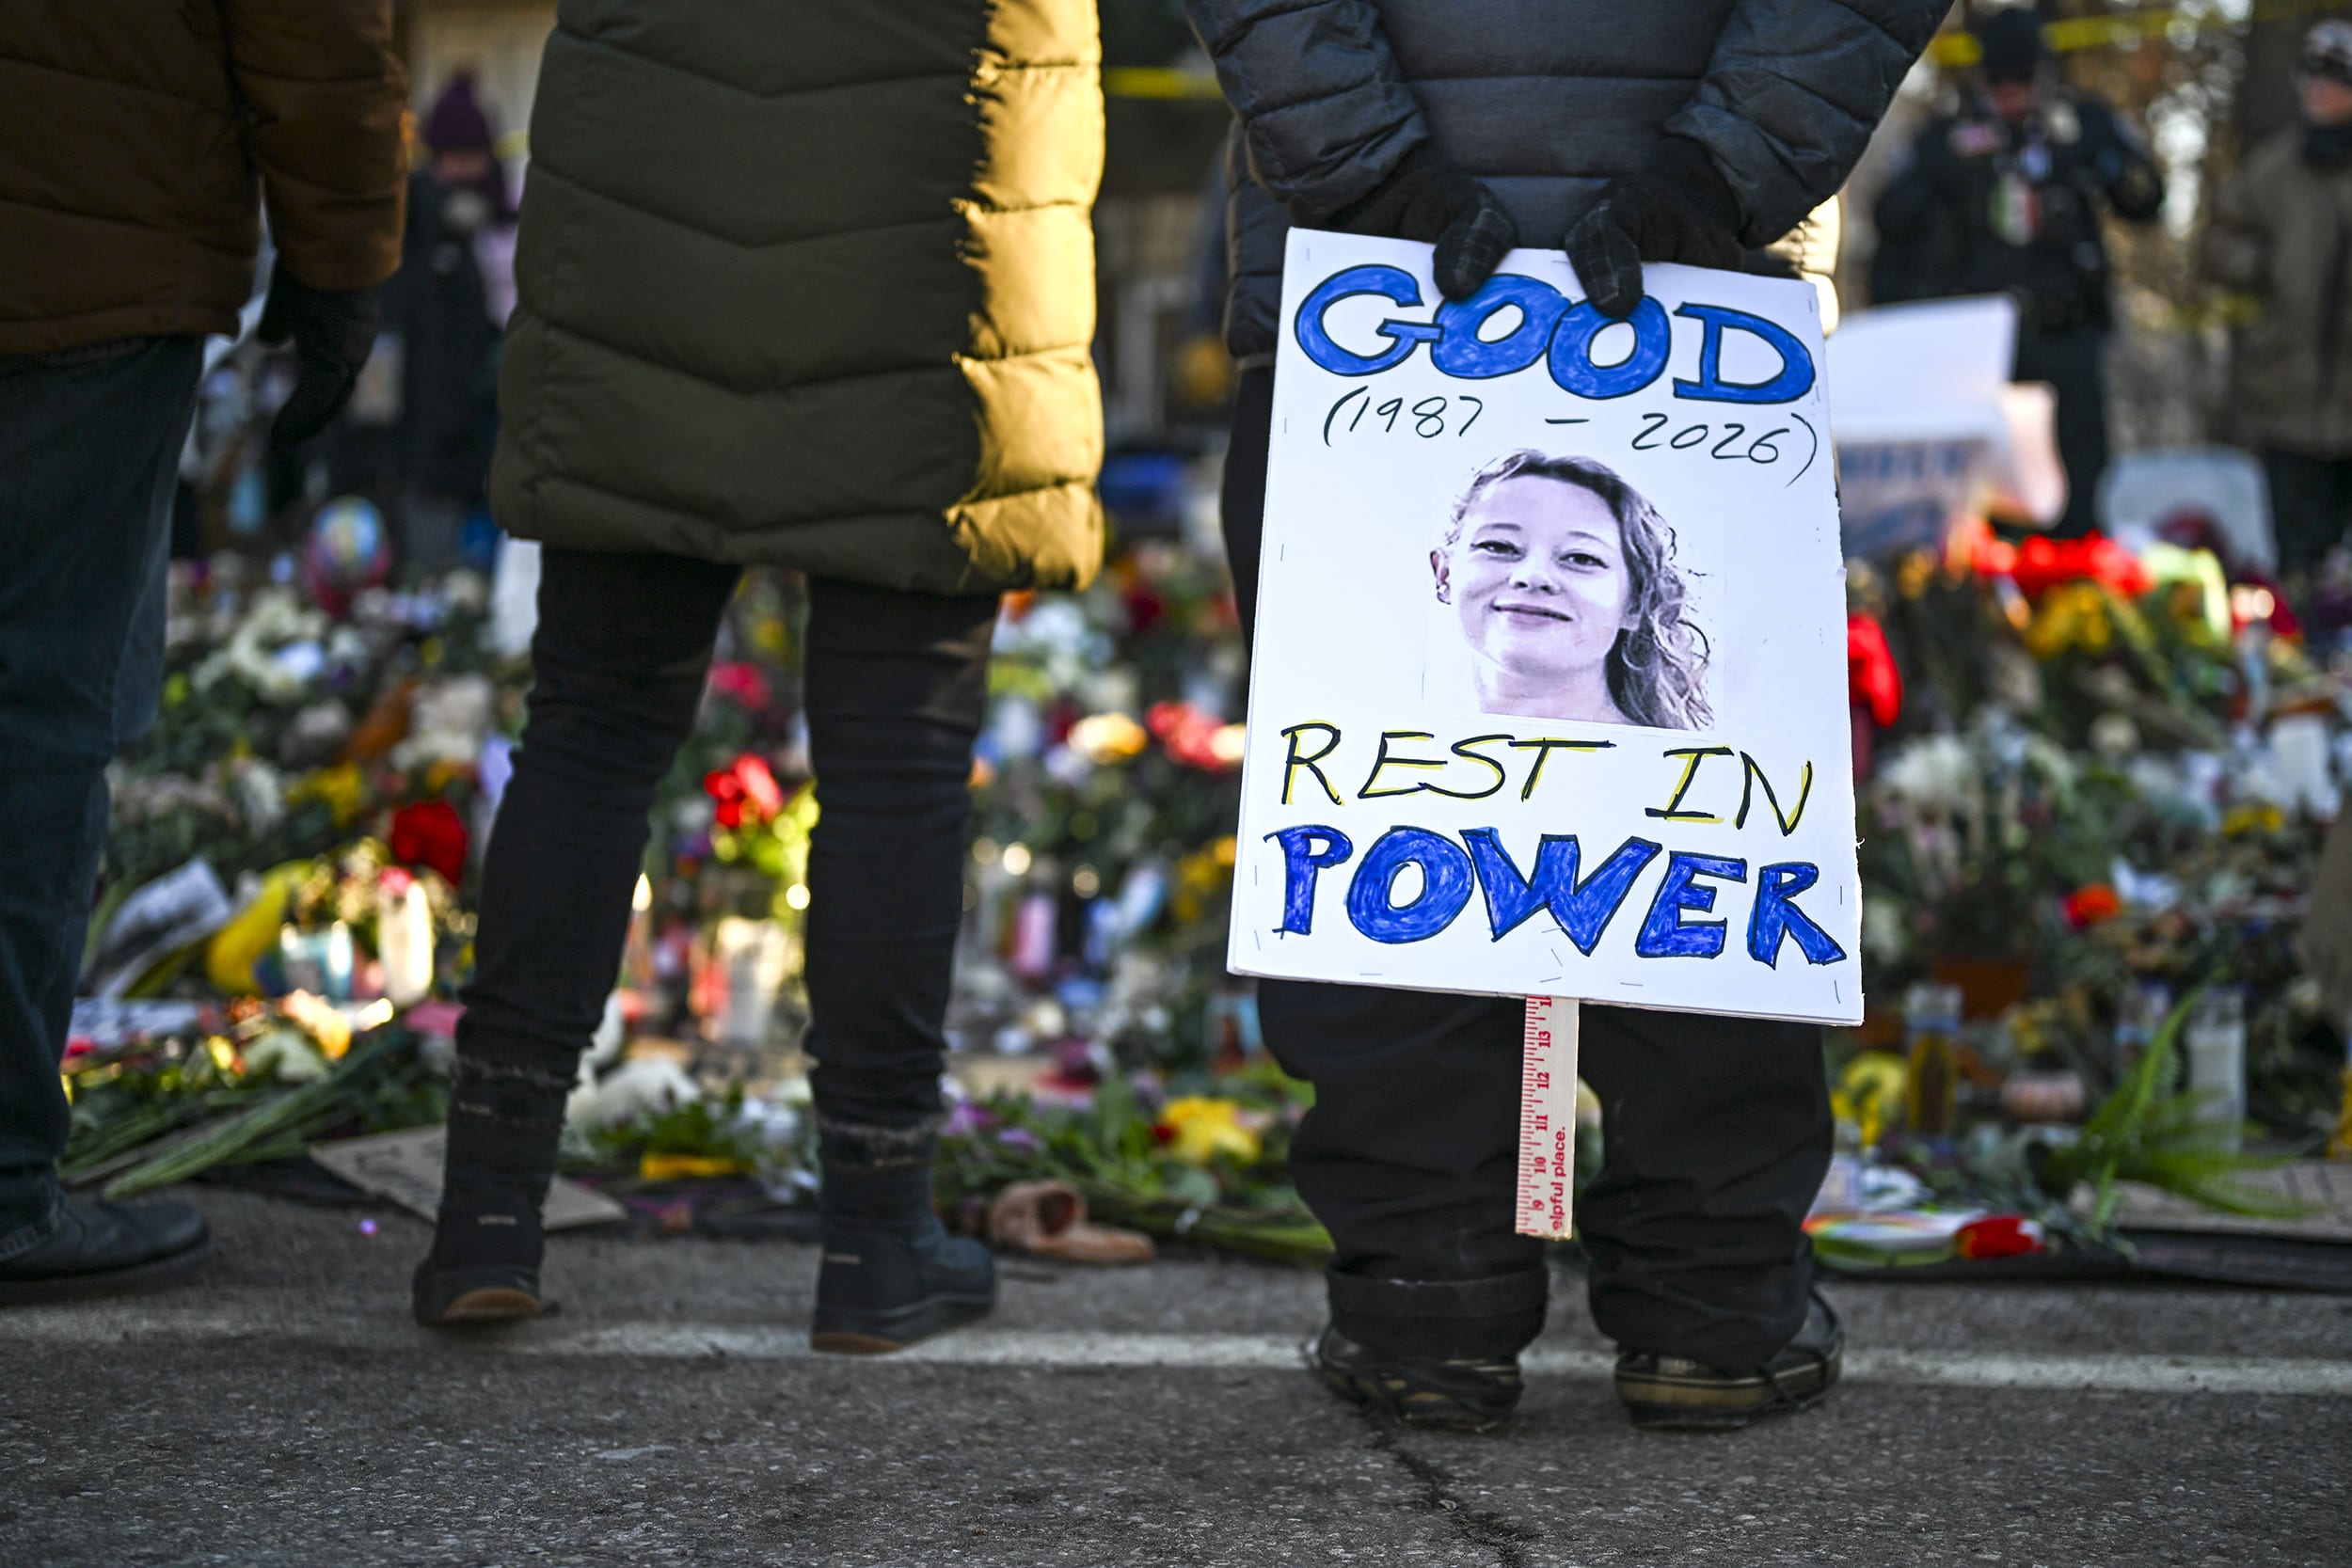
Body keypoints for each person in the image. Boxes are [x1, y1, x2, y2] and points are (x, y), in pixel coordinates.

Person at [1184, 0, 1947, 1430]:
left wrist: (1365, 173)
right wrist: (1726, 170)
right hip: (1702, 295)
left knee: (1390, 801)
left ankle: (1428, 1303)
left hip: (1370, 288)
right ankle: (1714, 1309)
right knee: (1705, 803)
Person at [410, 1, 1105, 1346]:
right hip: (939, 210)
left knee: (594, 731)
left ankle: (485, 1212)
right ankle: (877, 1236)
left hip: (649, 213)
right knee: (898, 767)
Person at [0, 2, 405, 1303]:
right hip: (83, 264)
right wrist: (342, 256)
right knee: (39, 713)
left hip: (86, 240)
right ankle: (3, 1181)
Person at [1872, 6, 2163, 539]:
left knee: (2077, 486)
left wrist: (2091, 155)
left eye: (2022, 80)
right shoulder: (1947, 136)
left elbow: (2147, 201)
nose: (2010, 94)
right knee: (1989, 502)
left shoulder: (2081, 123)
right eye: (1998, 81)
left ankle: (2077, 595)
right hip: (1981, 350)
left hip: (2067, 336)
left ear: (2045, 76)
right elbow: (1889, 217)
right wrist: (1952, 165)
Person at [2204, 21, 2352, 607]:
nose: (2319, 92)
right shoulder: (2273, 169)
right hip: (2289, 398)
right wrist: (2267, 264)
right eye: (2311, 79)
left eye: (2335, 80)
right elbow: (2219, 246)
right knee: (2296, 560)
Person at [1432, 452, 1708, 729]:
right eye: (1499, 546)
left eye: (1581, 558)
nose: (1532, 576)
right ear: (1444, 574)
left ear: (1635, 604)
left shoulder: (1678, 768)